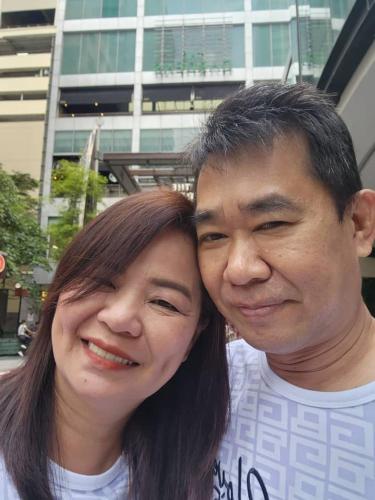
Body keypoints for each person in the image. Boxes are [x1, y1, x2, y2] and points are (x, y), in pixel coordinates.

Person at [189, 83, 375, 499]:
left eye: (272, 225)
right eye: (214, 236)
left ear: (359, 224)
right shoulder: (207, 380)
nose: (239, 271)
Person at [0, 190, 229, 500]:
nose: (120, 319)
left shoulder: (199, 477)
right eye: (102, 281)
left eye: (164, 302)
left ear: (192, 341)